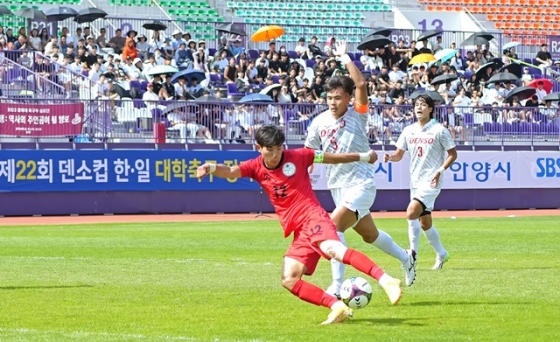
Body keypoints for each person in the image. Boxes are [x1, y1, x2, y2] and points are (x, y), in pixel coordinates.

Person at [197, 125, 402, 325]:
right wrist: (211, 167)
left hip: (313, 217)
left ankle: (386, 280)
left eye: (279, 148)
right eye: (270, 149)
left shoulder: (299, 155)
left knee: (334, 250)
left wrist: (364, 157)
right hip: (299, 231)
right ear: (259, 148)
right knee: (289, 279)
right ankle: (337, 306)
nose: (276, 153)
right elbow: (232, 171)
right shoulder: (255, 167)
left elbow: (332, 158)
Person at [305, 41, 417, 298]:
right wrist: (307, 170)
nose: (333, 102)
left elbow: (362, 85)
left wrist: (344, 57)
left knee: (332, 230)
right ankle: (406, 257)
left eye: (338, 97)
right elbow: (309, 153)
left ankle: (336, 287)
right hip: (336, 185)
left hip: (361, 183)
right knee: (370, 235)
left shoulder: (358, 114)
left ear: (348, 98)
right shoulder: (318, 122)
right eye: (329, 98)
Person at [383, 94, 458, 269]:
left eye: (423, 105)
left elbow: (453, 154)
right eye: (416, 105)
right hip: (415, 182)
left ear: (430, 109)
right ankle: (442, 253)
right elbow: (399, 155)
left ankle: (412, 256)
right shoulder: (408, 130)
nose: (419, 108)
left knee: (411, 212)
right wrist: (390, 157)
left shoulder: (439, 130)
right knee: (425, 223)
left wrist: (440, 171)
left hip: (432, 181)